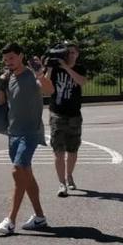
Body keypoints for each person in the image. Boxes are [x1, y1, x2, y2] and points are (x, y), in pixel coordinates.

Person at [0, 43, 54, 236]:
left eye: (11, 58)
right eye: (6, 59)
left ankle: (10, 220)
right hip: (13, 132)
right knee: (25, 174)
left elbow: (49, 90)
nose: (8, 62)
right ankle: (39, 217)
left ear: (21, 56)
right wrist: (0, 85)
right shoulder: (9, 77)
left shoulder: (31, 75)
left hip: (30, 132)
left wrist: (40, 74)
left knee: (18, 170)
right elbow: (1, 102)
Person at [46, 42, 88, 197]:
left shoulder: (80, 68)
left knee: (73, 150)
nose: (69, 55)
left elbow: (82, 81)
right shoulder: (54, 68)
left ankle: (69, 175)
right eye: (67, 52)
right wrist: (49, 67)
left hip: (74, 114)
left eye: (72, 52)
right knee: (58, 151)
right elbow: (45, 86)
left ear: (77, 54)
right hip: (57, 113)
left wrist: (67, 67)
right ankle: (61, 183)